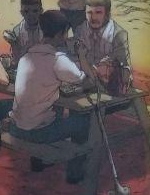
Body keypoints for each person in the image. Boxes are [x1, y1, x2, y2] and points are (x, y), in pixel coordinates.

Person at [9, 10, 92, 183]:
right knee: (83, 121)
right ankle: (74, 174)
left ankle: (38, 163)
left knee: (51, 108)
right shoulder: (57, 59)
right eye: (65, 34)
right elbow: (86, 80)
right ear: (60, 34)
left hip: (17, 127)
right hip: (38, 133)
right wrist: (82, 55)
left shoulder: (26, 57)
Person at [73, 0, 132, 94]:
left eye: (98, 12)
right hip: (86, 81)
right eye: (89, 12)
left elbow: (124, 67)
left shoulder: (118, 34)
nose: (93, 17)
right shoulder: (80, 30)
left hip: (111, 85)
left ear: (107, 14)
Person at [3, 0, 45, 66]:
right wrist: (14, 44)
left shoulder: (47, 28)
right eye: (26, 11)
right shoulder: (17, 31)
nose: (31, 14)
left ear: (41, 11)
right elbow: (16, 59)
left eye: (35, 11)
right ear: (21, 13)